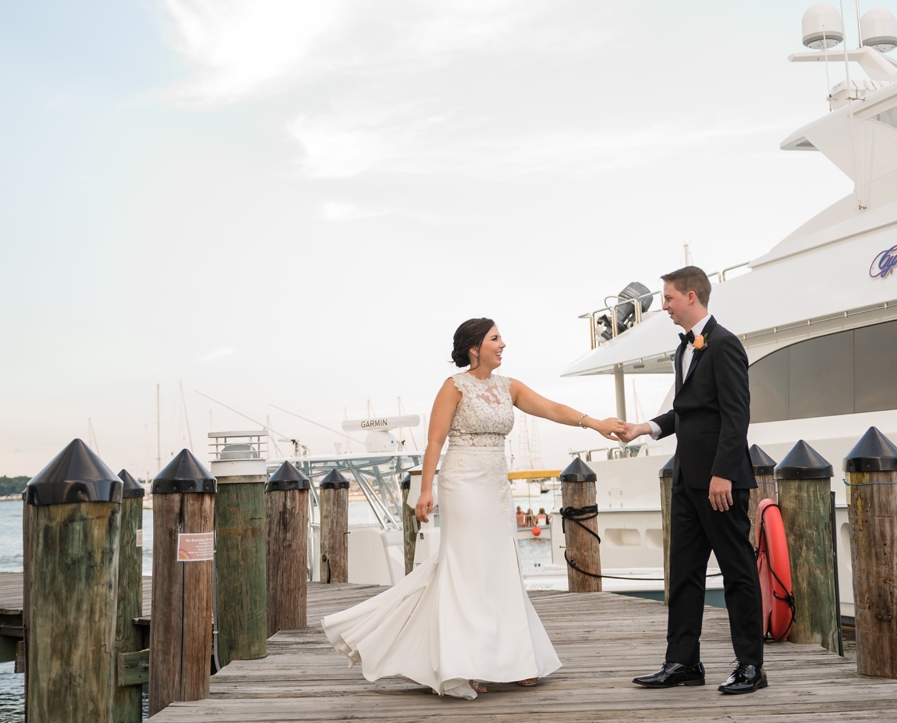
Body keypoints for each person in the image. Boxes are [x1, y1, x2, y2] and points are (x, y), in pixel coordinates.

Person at [322, 317, 625, 699]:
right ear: (473, 347)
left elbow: (550, 408)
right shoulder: (453, 387)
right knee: (469, 568)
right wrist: (426, 489)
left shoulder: (508, 386)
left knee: (501, 567)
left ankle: (517, 659)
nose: (502, 345)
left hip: (496, 484)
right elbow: (434, 443)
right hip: (462, 483)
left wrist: (594, 422)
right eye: (495, 339)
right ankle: (470, 660)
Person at [620, 266, 766, 696]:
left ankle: (751, 666)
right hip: (686, 479)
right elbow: (687, 411)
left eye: (667, 298)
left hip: (720, 481)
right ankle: (683, 661)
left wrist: (723, 473)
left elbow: (736, 414)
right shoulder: (685, 349)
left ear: (689, 297)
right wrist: (643, 428)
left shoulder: (724, 345)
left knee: (738, 572)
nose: (663, 306)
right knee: (684, 573)